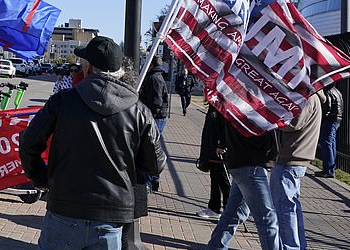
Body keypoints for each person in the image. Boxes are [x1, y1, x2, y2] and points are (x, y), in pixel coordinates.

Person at [19, 36, 166, 250]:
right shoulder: (138, 110)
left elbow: (29, 142)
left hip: (64, 207)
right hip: (111, 215)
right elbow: (155, 164)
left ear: (88, 67)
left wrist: (40, 177)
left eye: (83, 63)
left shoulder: (63, 101)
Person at [205, 118, 280, 250]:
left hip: (241, 162)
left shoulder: (240, 104)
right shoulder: (250, 107)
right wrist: (272, 141)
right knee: (267, 218)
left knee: (235, 213)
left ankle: (215, 247)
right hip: (251, 165)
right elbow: (254, 136)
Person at [270, 93, 323, 250]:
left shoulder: (307, 97)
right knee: (290, 205)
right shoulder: (310, 96)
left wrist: (273, 119)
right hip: (292, 156)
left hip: (292, 156)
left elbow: (294, 123)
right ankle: (296, 245)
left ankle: (290, 245)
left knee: (285, 206)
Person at [139, 56, 169, 192]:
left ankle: (151, 181)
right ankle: (153, 180)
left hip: (155, 117)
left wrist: (148, 115)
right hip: (156, 116)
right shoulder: (156, 77)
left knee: (151, 148)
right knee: (153, 147)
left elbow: (155, 101)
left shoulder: (153, 78)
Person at [196, 105, 230, 220]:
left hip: (220, 150)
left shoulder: (224, 103)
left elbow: (228, 126)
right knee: (215, 178)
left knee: (224, 180)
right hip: (212, 147)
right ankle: (214, 208)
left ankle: (228, 210)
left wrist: (222, 144)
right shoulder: (214, 104)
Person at [316, 84, 343, 178]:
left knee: (326, 143)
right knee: (331, 144)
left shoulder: (327, 91)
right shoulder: (336, 91)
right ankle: (331, 168)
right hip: (336, 119)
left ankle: (328, 170)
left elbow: (327, 106)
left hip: (330, 119)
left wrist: (324, 116)